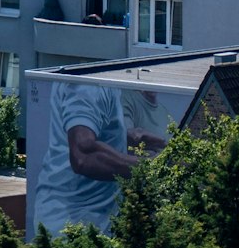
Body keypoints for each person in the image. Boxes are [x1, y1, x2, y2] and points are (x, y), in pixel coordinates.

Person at [30, 81, 171, 235]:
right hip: (74, 222)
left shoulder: (105, 83)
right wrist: (154, 166)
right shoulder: (90, 87)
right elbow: (83, 155)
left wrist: (128, 137)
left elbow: (99, 130)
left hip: (90, 218)